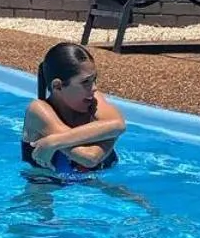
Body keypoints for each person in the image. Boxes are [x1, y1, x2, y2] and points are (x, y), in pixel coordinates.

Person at [21, 42, 126, 177]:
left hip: (98, 184)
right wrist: (108, 134)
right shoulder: (38, 110)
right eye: (85, 82)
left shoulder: (92, 98)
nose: (94, 88)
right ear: (58, 86)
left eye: (94, 79)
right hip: (45, 186)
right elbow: (89, 158)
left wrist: (53, 142)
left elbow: (119, 125)